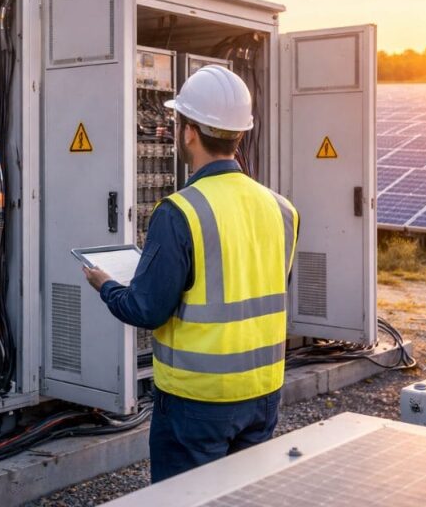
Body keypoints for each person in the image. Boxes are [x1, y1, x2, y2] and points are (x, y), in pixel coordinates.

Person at [83, 65, 299, 483]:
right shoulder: (283, 209)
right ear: (240, 133)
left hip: (196, 400)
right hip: (263, 394)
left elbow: (146, 309)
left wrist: (105, 284)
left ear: (189, 132)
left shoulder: (180, 211)